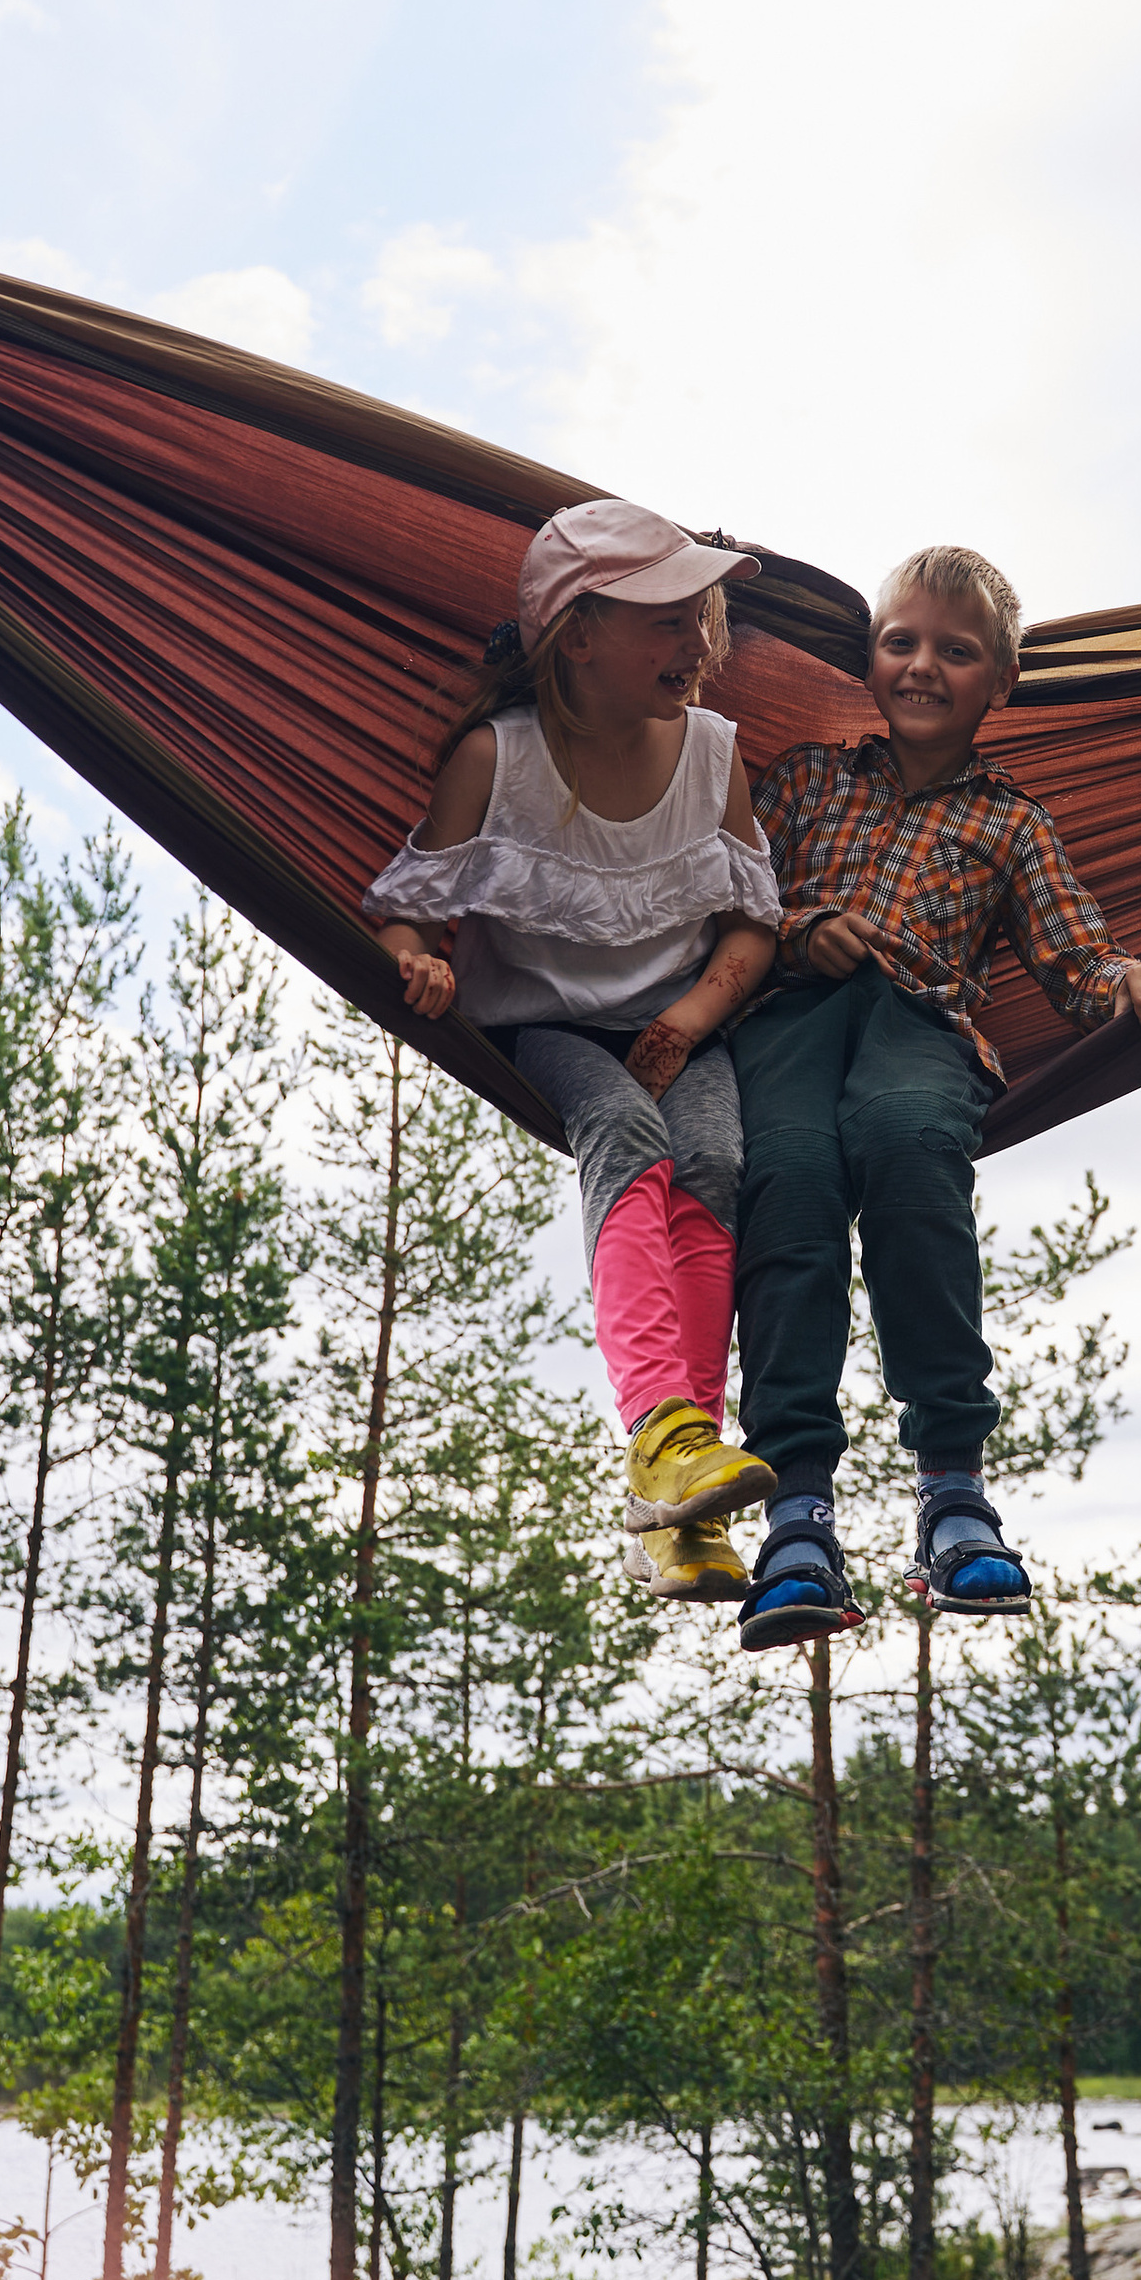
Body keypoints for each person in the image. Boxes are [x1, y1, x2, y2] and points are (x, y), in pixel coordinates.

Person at [731, 544, 1141, 1655]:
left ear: (1001, 683)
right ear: (868, 658)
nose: (922, 665)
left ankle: (952, 1488)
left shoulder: (1011, 824)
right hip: (788, 1019)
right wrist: (801, 927)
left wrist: (1137, 979)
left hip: (917, 1028)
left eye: (957, 649)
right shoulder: (803, 778)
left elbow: (1077, 964)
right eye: (901, 642)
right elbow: (722, 900)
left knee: (906, 1151)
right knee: (786, 1185)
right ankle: (796, 1507)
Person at [364, 498, 782, 1604]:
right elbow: (406, 905)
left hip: (681, 1020)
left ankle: (678, 1496)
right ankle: (662, 1426)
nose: (697, 646)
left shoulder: (713, 755)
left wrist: (692, 1018)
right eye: (667, 621)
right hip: (542, 1022)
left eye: (703, 621)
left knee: (717, 1167)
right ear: (578, 634)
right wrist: (420, 961)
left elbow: (753, 922)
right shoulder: (495, 762)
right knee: (622, 1134)